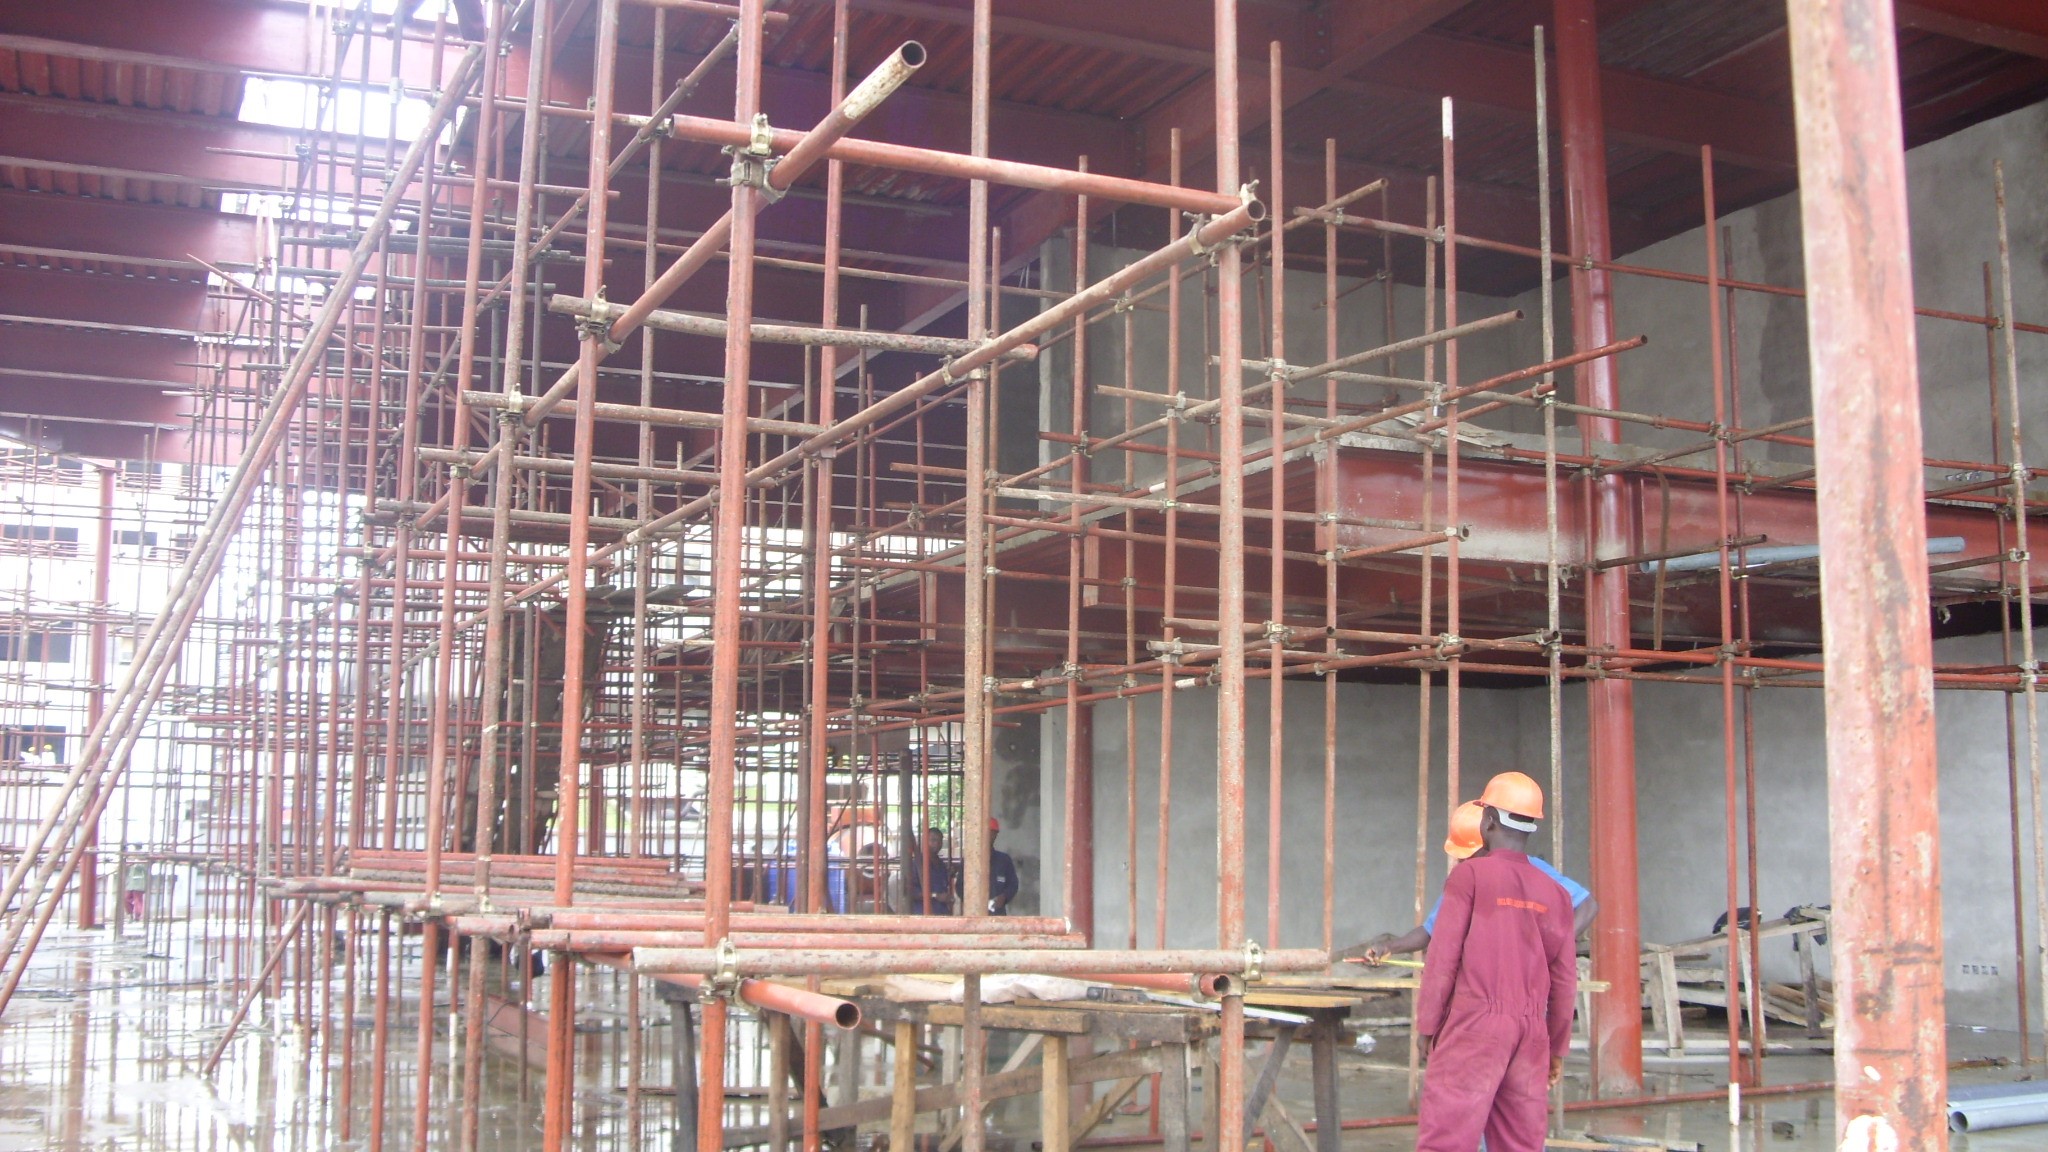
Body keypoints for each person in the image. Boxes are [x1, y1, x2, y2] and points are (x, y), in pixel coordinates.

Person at [1416, 775, 1578, 1152]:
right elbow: (1565, 979)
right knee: (1519, 1143)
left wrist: (1428, 1025)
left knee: (1447, 1139)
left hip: (1474, 1026)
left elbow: (1443, 959)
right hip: (1531, 1031)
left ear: (1487, 820)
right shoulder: (1554, 892)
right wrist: (1555, 1048)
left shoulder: (1469, 875)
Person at [1343, 789, 1597, 965]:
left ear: (1489, 838)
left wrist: (1553, 951)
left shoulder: (1535, 871)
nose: (1463, 862)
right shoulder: (1464, 882)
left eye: (1468, 855)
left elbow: (1587, 906)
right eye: (1460, 858)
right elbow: (1432, 930)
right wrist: (1391, 947)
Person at [955, 817, 1021, 914]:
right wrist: (971, 901)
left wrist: (1004, 897)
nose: (986, 836)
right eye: (983, 832)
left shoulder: (1004, 860)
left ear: (995, 835)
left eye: (990, 832)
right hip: (975, 914)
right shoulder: (970, 860)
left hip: (997, 914)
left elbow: (1013, 884)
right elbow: (960, 885)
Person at [916, 826, 952, 915]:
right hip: (923, 913)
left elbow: (942, 885)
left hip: (941, 912)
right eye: (933, 840)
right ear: (925, 841)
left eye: (940, 841)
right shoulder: (917, 864)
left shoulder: (941, 864)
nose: (937, 843)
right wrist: (935, 896)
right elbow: (910, 893)